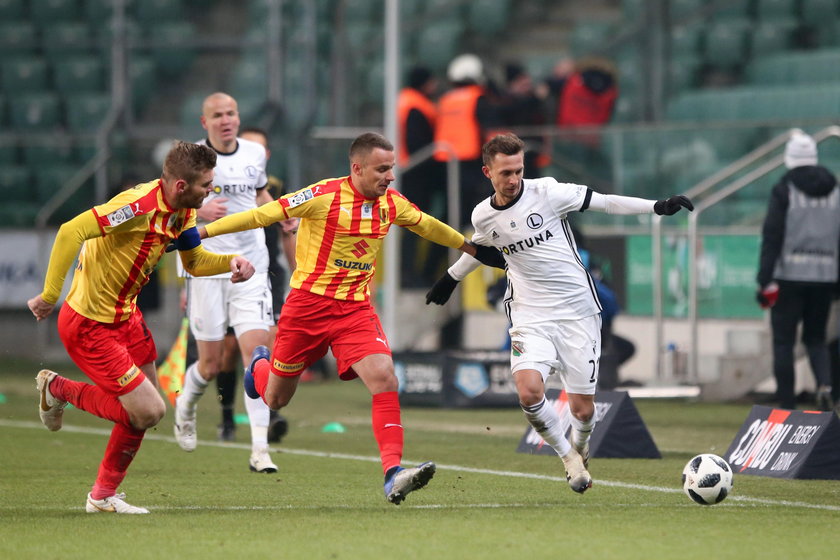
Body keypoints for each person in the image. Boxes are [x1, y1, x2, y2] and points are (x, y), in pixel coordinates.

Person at [200, 132, 505, 504]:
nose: (390, 176)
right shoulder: (322, 195)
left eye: (391, 168)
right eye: (382, 169)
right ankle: (258, 368)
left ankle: (393, 473)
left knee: (384, 377)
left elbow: (427, 224)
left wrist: (471, 247)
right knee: (276, 399)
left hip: (354, 310)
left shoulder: (391, 204)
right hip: (307, 308)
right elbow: (263, 214)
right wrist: (200, 232)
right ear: (357, 168)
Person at [425, 133, 692, 494]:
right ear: (488, 171)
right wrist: (450, 278)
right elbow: (482, 246)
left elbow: (606, 202)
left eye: (518, 170)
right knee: (529, 391)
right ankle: (568, 458)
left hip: (578, 313)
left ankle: (580, 446)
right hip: (529, 314)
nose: (514, 179)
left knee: (583, 412)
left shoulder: (548, 192)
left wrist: (656, 206)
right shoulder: (483, 214)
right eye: (505, 173)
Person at [28, 141, 255, 514]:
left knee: (146, 409)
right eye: (205, 185)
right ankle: (58, 388)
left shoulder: (183, 211)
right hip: (90, 324)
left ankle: (103, 495)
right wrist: (50, 294)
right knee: (147, 411)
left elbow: (195, 262)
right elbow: (71, 231)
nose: (210, 191)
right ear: (181, 185)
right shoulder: (137, 206)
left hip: (126, 317)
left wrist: (232, 263)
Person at [173, 92, 278, 473]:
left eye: (231, 113)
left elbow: (261, 191)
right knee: (212, 364)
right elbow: (171, 203)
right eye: (217, 115)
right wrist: (198, 208)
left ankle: (260, 449)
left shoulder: (254, 153)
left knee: (258, 357)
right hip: (207, 268)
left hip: (251, 265)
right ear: (205, 123)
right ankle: (185, 405)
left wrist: (278, 214)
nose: (225, 120)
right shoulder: (192, 158)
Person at [209, 126, 297, 444]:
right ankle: (227, 418)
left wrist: (298, 273)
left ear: (265, 154)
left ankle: (270, 415)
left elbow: (288, 232)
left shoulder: (277, 189)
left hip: (267, 272)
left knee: (265, 342)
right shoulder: (215, 182)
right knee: (228, 351)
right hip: (226, 270)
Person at [756, 130, 839, 411]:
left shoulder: (784, 189)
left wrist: (764, 279)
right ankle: (825, 387)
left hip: (788, 277)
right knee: (816, 339)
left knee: (783, 342)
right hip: (825, 276)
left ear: (788, 158)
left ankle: (787, 405)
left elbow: (772, 236)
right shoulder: (835, 188)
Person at [434, 53, 501, 228]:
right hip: (470, 161)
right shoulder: (478, 97)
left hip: (445, 161)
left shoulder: (445, 99)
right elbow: (489, 126)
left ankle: (441, 252)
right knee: (473, 209)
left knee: (451, 211)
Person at [397, 65, 447, 287]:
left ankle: (410, 273)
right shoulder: (415, 106)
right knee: (414, 225)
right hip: (415, 172)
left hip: (408, 170)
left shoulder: (405, 101)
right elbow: (418, 144)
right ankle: (409, 274)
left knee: (414, 224)